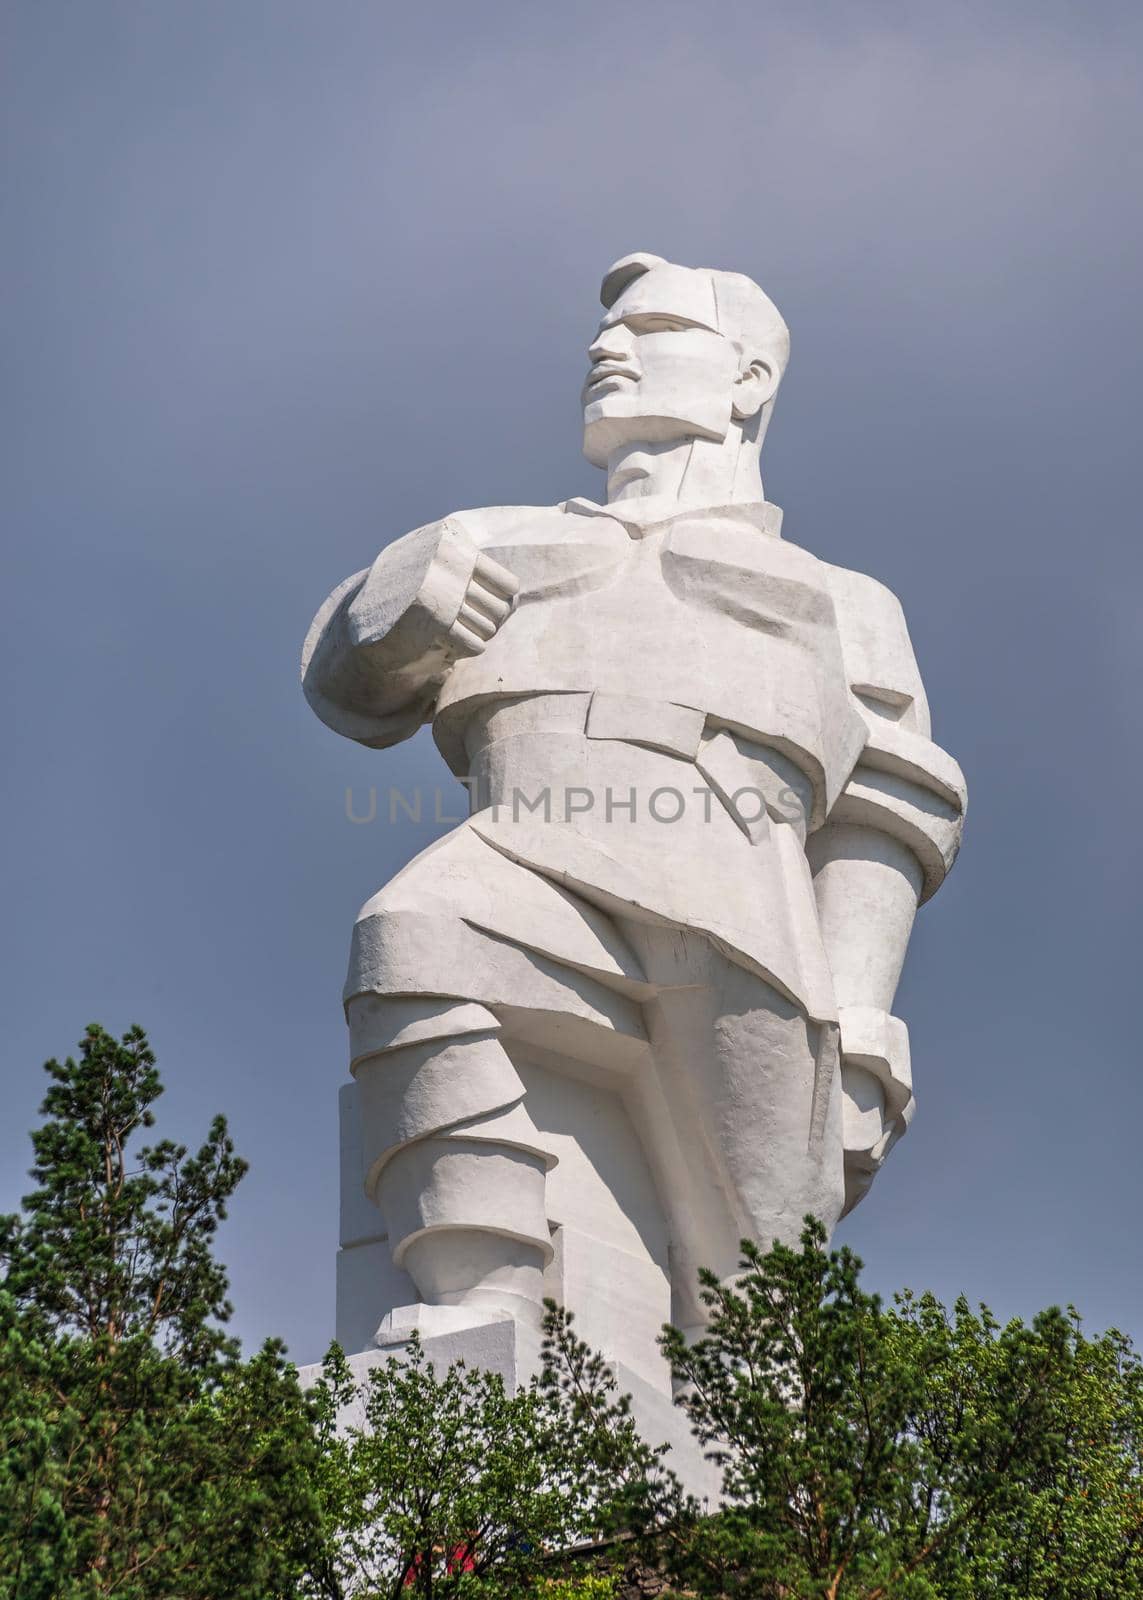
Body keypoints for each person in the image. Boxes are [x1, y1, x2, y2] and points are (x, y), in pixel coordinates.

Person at [302, 253, 965, 1375]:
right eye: (605, 333)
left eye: (650, 328)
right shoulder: (497, 540)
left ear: (747, 380)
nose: (607, 348)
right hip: (527, 838)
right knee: (411, 939)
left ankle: (760, 1495)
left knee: (757, 1291)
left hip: (738, 891)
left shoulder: (843, 599)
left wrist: (858, 1037)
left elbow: (886, 817)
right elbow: (345, 684)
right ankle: (482, 1293)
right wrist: (395, 608)